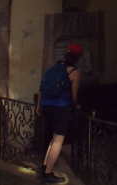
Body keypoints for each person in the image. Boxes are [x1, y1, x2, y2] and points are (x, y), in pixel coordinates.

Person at [35, 43, 83, 184]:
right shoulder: (74, 71)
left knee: (52, 139)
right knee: (58, 140)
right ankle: (48, 174)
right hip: (60, 108)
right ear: (78, 57)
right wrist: (74, 106)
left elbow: (41, 88)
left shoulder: (53, 67)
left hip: (46, 106)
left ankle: (44, 168)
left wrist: (39, 105)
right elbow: (74, 95)